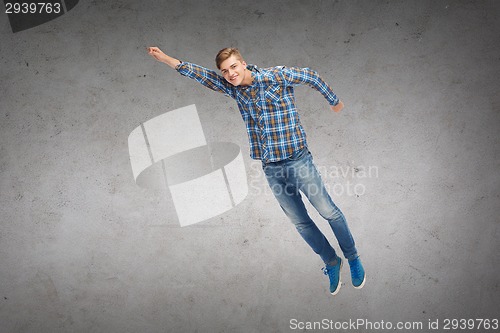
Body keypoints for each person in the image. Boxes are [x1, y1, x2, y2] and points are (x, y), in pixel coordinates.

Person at [147, 46, 365, 295]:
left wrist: (334, 101)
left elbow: (311, 76)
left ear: (244, 63)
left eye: (233, 67)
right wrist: (166, 59)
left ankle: (353, 258)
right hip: (271, 167)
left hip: (298, 160)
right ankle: (331, 262)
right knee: (301, 223)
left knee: (328, 211)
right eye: (225, 71)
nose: (230, 73)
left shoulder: (276, 75)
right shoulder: (234, 88)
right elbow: (203, 76)